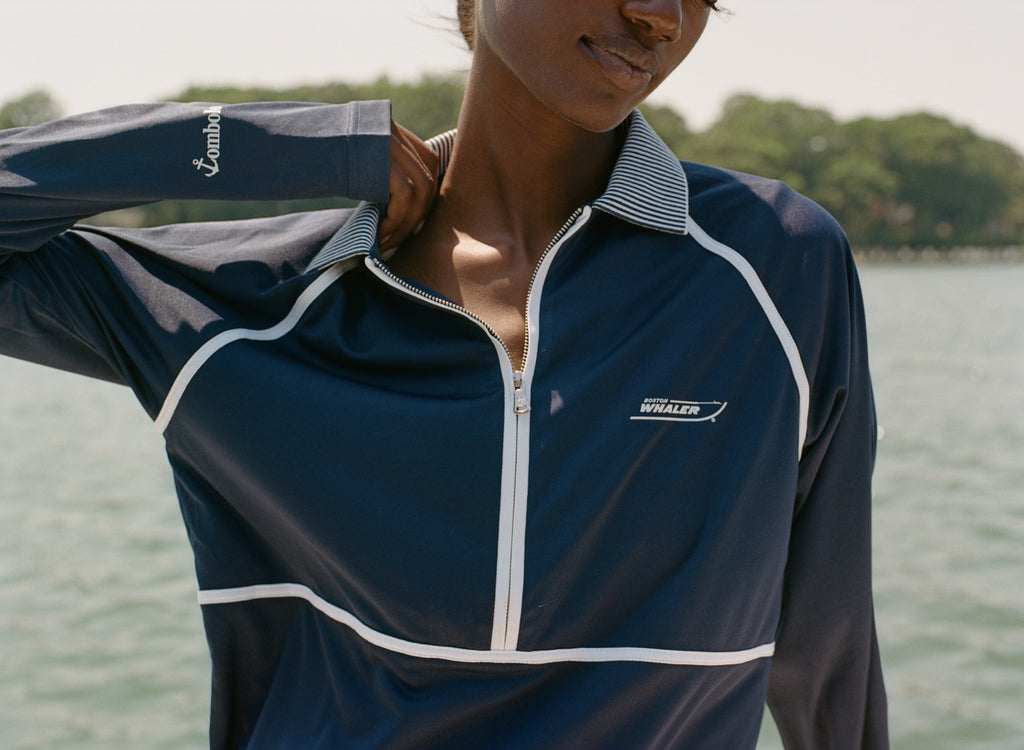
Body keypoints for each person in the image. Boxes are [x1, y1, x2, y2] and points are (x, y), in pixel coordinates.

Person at [0, 0, 888, 747]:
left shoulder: (774, 268)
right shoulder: (253, 305)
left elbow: (826, 647)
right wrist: (291, 147)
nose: (661, 13)